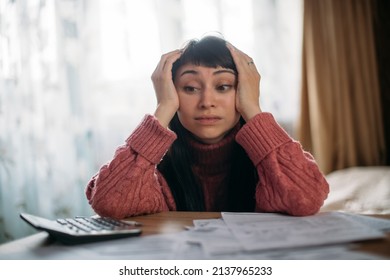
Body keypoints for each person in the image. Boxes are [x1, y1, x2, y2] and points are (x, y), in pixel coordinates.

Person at [85, 35, 329, 219]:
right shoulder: (153, 166)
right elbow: (108, 202)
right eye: (190, 88)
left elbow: (307, 199)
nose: (206, 103)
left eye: (223, 86)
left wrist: (253, 109)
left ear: (244, 91)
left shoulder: (265, 162)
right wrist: (163, 108)